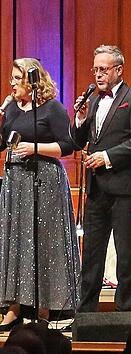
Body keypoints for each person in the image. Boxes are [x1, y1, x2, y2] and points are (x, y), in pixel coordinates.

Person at [0, 58, 80, 330]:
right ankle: (13, 309)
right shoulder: (11, 108)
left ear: (31, 81)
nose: (11, 83)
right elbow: (3, 142)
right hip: (15, 182)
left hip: (43, 180)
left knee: (42, 242)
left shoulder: (52, 108)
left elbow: (68, 145)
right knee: (16, 243)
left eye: (16, 78)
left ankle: (44, 311)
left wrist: (35, 148)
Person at [69, 45, 131, 315]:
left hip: (125, 188)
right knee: (91, 254)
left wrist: (107, 156)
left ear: (119, 70)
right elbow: (78, 141)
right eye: (95, 69)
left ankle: (124, 313)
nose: (98, 75)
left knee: (125, 255)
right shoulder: (93, 101)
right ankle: (86, 313)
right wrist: (80, 120)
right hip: (96, 189)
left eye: (104, 69)